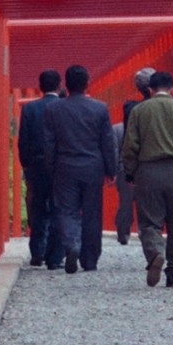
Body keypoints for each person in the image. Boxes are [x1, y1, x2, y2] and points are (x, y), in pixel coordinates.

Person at [120, 69, 173, 287]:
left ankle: (156, 252)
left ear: (150, 89)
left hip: (147, 171)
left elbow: (130, 146)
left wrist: (131, 171)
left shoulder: (139, 111)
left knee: (149, 221)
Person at [42, 64, 116, 274]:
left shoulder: (54, 109)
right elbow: (107, 142)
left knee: (67, 210)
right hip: (93, 166)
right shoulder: (100, 108)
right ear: (87, 83)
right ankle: (90, 259)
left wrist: (51, 168)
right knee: (92, 213)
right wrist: (111, 169)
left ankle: (72, 245)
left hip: (65, 166)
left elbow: (49, 143)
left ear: (66, 83)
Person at [16, 70, 61, 268]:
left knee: (38, 207)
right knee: (58, 207)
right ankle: (54, 254)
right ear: (59, 86)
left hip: (36, 163)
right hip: (59, 164)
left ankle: (37, 251)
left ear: (40, 87)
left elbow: (23, 141)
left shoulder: (30, 109)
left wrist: (26, 164)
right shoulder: (63, 107)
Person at [112, 67, 154, 244]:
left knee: (126, 204)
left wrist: (114, 171)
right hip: (150, 166)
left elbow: (116, 150)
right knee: (149, 204)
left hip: (125, 167)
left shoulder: (116, 128)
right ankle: (150, 237)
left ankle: (123, 232)